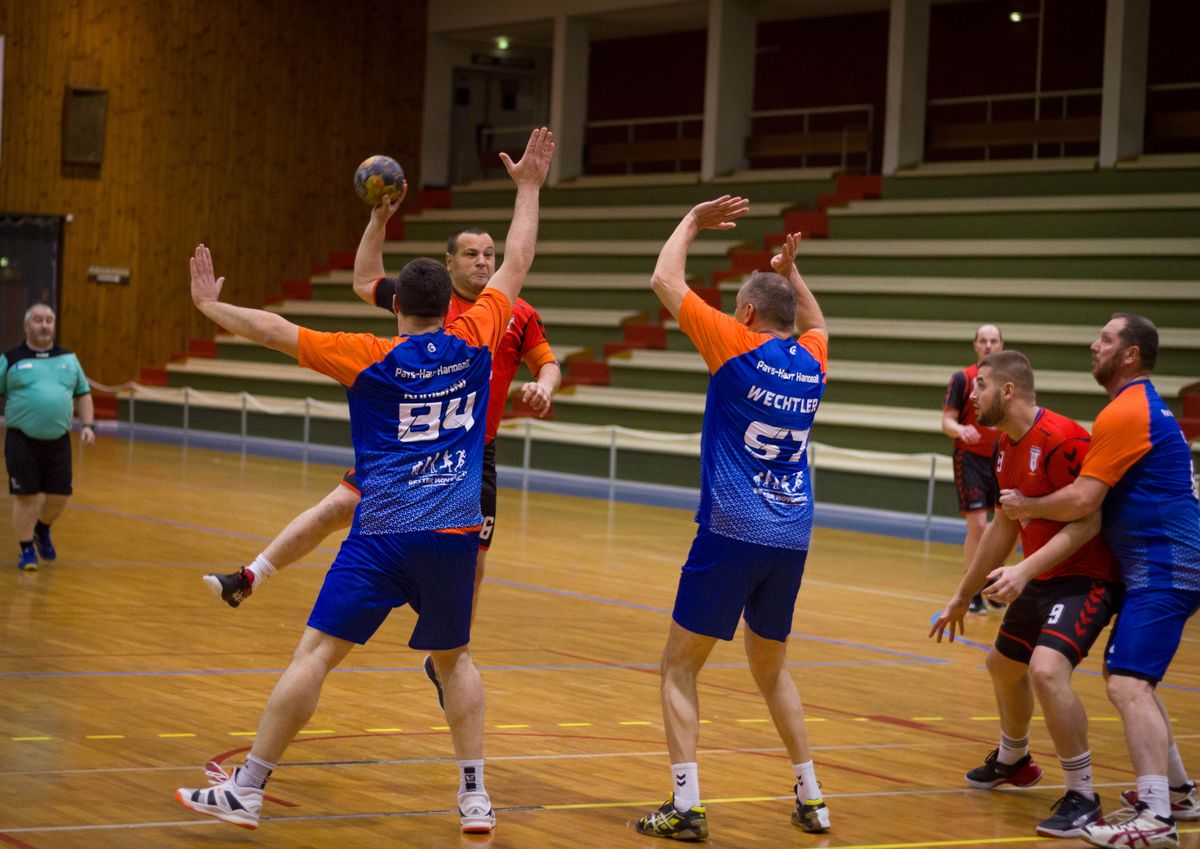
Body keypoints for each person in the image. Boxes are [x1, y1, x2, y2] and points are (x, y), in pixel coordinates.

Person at [174, 127, 555, 835]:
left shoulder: (366, 355)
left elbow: (275, 330)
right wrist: (528, 188)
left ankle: (248, 788)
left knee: (316, 654)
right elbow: (518, 260)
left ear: (396, 306)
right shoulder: (478, 336)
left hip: (380, 532)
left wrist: (211, 308)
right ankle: (475, 796)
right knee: (455, 660)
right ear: (449, 303)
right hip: (453, 529)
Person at [202, 214, 562, 651]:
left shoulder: (514, 311)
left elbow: (547, 363)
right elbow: (365, 280)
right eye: (472, 254)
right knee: (336, 507)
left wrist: (544, 386)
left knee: (473, 564)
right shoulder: (428, 299)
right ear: (449, 263)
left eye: (490, 254)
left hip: (468, 456)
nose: (483, 262)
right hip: (405, 449)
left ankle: (450, 654)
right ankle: (251, 576)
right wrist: (378, 220)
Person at [634, 199, 830, 841]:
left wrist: (692, 221)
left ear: (746, 315)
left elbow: (664, 279)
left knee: (678, 666)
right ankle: (812, 797)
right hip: (792, 533)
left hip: (731, 530)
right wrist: (792, 273)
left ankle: (687, 806)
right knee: (771, 669)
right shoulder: (812, 361)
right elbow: (817, 322)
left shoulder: (735, 346)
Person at [997, 313, 1200, 849]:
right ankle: (1178, 793)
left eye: (1106, 339)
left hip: (1166, 565)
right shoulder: (1136, 407)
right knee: (1131, 679)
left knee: (1127, 684)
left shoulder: (1127, 410)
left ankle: (1155, 817)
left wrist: (1027, 505)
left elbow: (1084, 500)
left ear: (1130, 355)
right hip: (1158, 566)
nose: (1094, 344)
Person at [930, 350, 1122, 838]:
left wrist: (1023, 571)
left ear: (1008, 390)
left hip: (1087, 578)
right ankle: (1015, 759)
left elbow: (1088, 521)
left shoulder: (1063, 438)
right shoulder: (1003, 446)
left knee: (1046, 670)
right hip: (1041, 576)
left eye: (982, 385)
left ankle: (1083, 796)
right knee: (1002, 664)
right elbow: (1002, 526)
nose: (973, 394)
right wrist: (961, 596)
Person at [1, 303, 96, 571]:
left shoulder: (69, 359)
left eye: (49, 320)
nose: (44, 325)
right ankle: (26, 550)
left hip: (58, 441)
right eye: (38, 320)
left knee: (59, 496)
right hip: (22, 439)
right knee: (26, 497)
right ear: (26, 326)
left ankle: (41, 529)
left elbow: (83, 393)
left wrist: (88, 425)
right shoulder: (11, 359)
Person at [942, 324, 1005, 614]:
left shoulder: (1008, 381)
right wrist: (961, 430)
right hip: (970, 459)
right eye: (983, 341)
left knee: (1003, 524)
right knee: (978, 524)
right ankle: (973, 589)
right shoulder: (963, 379)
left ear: (1001, 345)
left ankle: (994, 582)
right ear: (975, 345)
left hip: (1001, 459)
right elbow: (947, 422)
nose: (989, 345)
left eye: (994, 341)